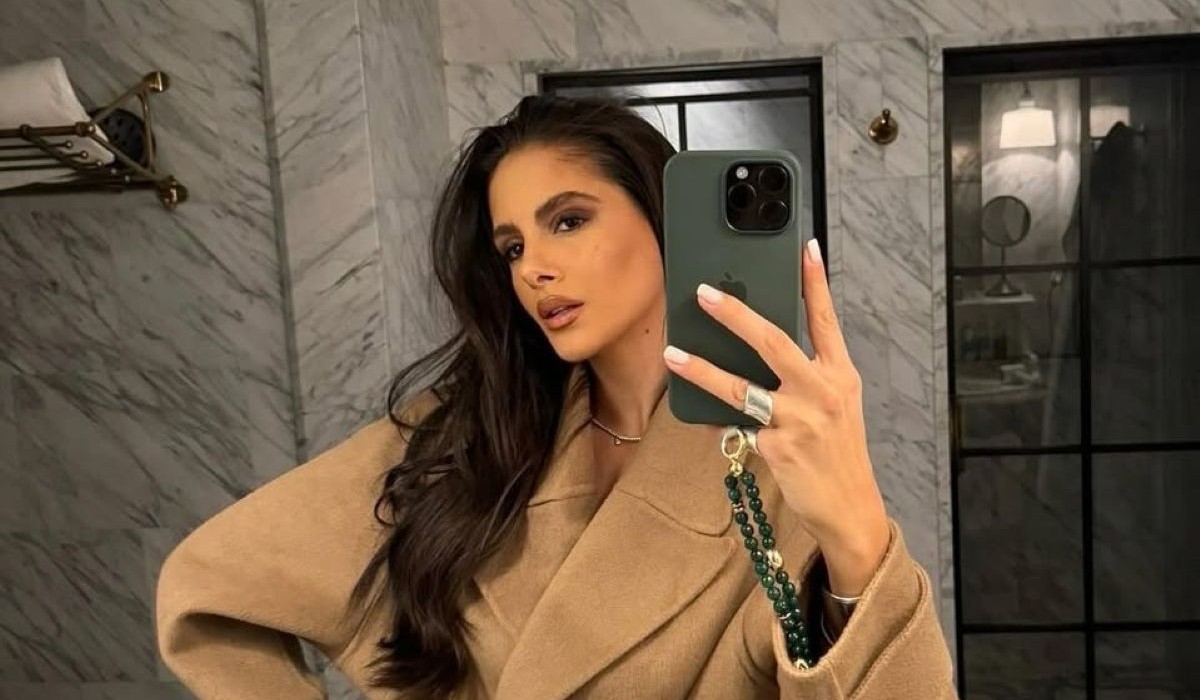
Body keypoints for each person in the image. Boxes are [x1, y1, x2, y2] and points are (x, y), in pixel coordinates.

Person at [156, 94, 956, 699]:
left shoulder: (778, 453)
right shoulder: (461, 433)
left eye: (567, 221)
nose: (533, 267)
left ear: (663, 220)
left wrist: (858, 536)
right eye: (512, 247)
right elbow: (210, 589)